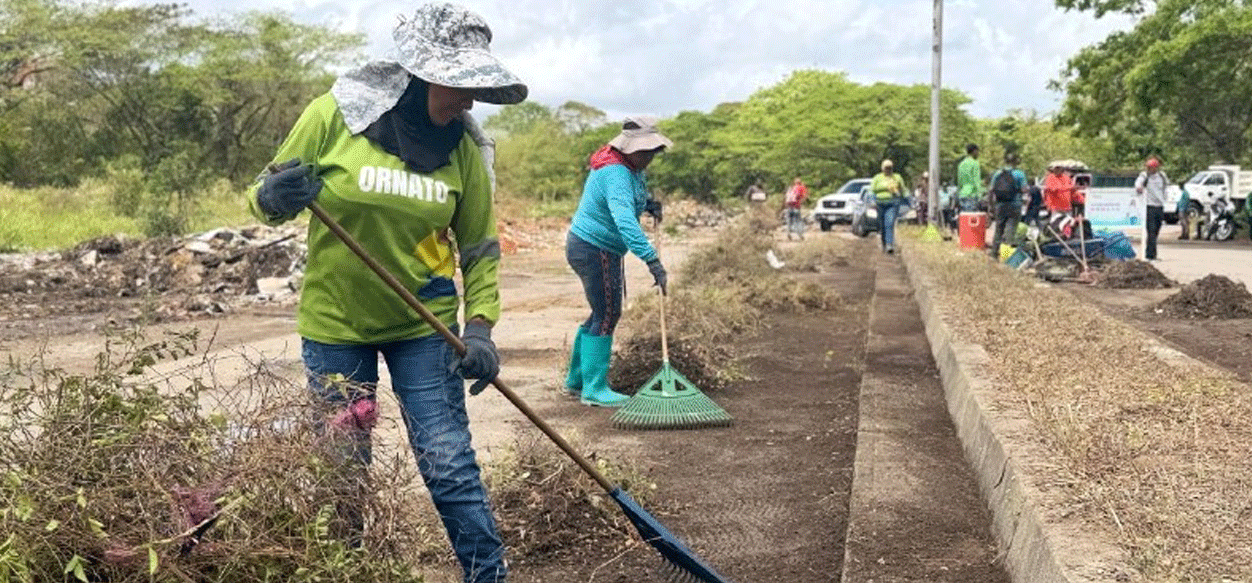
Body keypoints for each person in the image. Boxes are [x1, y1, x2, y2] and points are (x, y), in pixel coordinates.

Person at [245, 4, 524, 581]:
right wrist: (273, 196)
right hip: (336, 327)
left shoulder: (463, 151)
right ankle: (344, 572)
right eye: (460, 84)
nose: (468, 101)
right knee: (343, 470)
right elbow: (264, 195)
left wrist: (480, 329)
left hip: (427, 327)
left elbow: (478, 247)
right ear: (421, 73)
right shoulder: (333, 117)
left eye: (476, 87)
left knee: (447, 463)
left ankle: (487, 575)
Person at [564, 116, 671, 407]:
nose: (649, 157)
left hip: (591, 246)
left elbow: (630, 201)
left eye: (652, 151)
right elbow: (624, 221)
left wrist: (648, 204)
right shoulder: (616, 173)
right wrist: (652, 260)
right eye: (645, 151)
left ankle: (576, 381)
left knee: (600, 312)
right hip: (594, 248)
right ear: (629, 148)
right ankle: (594, 389)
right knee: (608, 314)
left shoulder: (629, 168)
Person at [987, 153, 1028, 259]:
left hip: (1000, 205)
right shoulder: (1019, 174)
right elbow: (1024, 189)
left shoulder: (997, 173)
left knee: (998, 230)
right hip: (1014, 205)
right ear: (1015, 162)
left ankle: (994, 254)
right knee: (1010, 230)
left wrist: (991, 206)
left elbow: (991, 190)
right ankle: (1006, 257)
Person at [1136, 157, 1170, 260]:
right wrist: (1140, 188)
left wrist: (1165, 199)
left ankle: (1152, 253)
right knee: (1151, 231)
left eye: (1153, 167)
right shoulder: (1144, 176)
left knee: (1156, 231)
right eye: (1149, 167)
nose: (1151, 169)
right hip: (1149, 206)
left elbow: (1165, 188)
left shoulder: (1162, 176)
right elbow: (1138, 184)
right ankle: (1150, 255)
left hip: (1159, 206)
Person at [871, 159, 907, 254]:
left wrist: (906, 197)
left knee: (889, 223)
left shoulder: (897, 177)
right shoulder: (877, 178)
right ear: (883, 168)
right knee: (882, 225)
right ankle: (884, 243)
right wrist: (872, 201)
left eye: (890, 168)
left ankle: (889, 244)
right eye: (886, 168)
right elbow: (872, 191)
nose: (888, 170)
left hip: (892, 203)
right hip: (880, 204)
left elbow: (903, 189)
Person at [1042, 162, 1077, 238]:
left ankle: (1067, 236)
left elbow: (1073, 189)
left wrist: (1081, 199)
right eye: (1056, 168)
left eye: (1059, 168)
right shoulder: (1050, 178)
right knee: (1055, 223)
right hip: (1055, 207)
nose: (1058, 170)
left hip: (1067, 206)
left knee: (1069, 222)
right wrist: (1067, 188)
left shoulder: (1066, 178)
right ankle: (1055, 237)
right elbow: (1052, 189)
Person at [956, 143, 983, 212]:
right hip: (971, 194)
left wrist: (959, 192)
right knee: (971, 219)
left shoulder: (961, 164)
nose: (978, 154)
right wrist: (980, 195)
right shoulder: (975, 163)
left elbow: (959, 181)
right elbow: (976, 180)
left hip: (962, 194)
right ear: (974, 151)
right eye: (977, 151)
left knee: (964, 218)